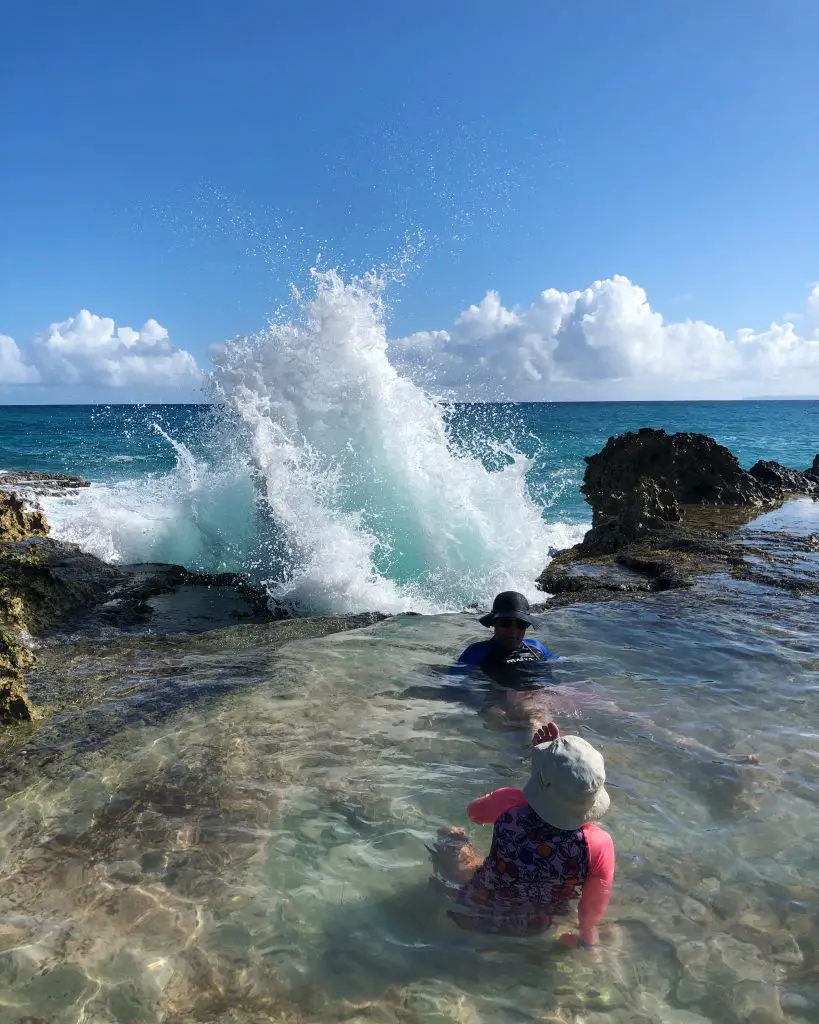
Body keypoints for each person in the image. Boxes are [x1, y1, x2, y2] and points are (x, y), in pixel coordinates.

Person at [430, 723, 614, 946]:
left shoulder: (509, 803)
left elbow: (474, 813)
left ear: (541, 783)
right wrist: (587, 933)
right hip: (533, 925)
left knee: (451, 835)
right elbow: (593, 904)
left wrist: (537, 773)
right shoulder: (598, 844)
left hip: (475, 906)